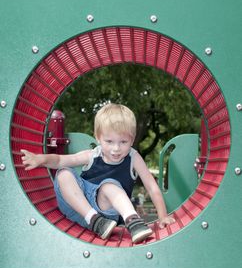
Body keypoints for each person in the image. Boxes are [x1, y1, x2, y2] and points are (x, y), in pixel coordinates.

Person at [21, 103, 175, 243]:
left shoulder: (133, 158)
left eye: (123, 142)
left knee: (109, 185)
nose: (116, 148)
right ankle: (94, 220)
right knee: (63, 173)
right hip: (78, 209)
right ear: (98, 137)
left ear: (132, 139)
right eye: (109, 141)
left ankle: (133, 221)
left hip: (108, 214)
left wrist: (162, 216)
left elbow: (151, 186)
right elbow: (60, 160)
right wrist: (40, 159)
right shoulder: (92, 155)